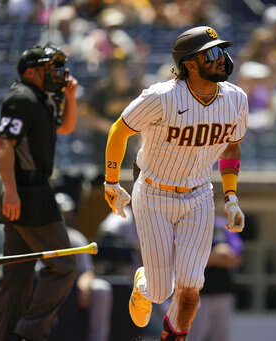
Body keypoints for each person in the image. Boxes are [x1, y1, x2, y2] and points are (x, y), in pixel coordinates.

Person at [103, 26, 248, 340]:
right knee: (159, 291)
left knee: (191, 288)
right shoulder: (162, 96)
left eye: (222, 51)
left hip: (199, 196)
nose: (222, 59)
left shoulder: (236, 99)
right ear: (190, 64)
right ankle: (143, 284)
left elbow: (232, 146)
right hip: (154, 193)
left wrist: (232, 197)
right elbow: (119, 130)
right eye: (212, 54)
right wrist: (111, 182)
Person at [0, 44, 78, 341]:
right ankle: (28, 333)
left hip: (29, 190)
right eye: (51, 67)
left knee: (17, 278)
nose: (58, 73)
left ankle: (6, 337)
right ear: (32, 71)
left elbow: (65, 128)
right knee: (65, 265)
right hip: (28, 192)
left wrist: (70, 96)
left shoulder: (43, 99)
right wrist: (11, 192)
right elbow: (4, 144)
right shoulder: (21, 98)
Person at [55, 192, 113, 341]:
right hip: (44, 286)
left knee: (100, 289)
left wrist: (84, 285)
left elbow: (87, 270)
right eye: (60, 213)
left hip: (71, 287)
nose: (64, 217)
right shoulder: (37, 236)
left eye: (67, 213)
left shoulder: (75, 237)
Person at [187, 216, 243, 341]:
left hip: (223, 293)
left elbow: (236, 257)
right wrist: (218, 256)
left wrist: (208, 258)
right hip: (198, 294)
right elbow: (189, 259)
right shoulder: (190, 225)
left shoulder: (223, 225)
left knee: (220, 336)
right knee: (195, 336)